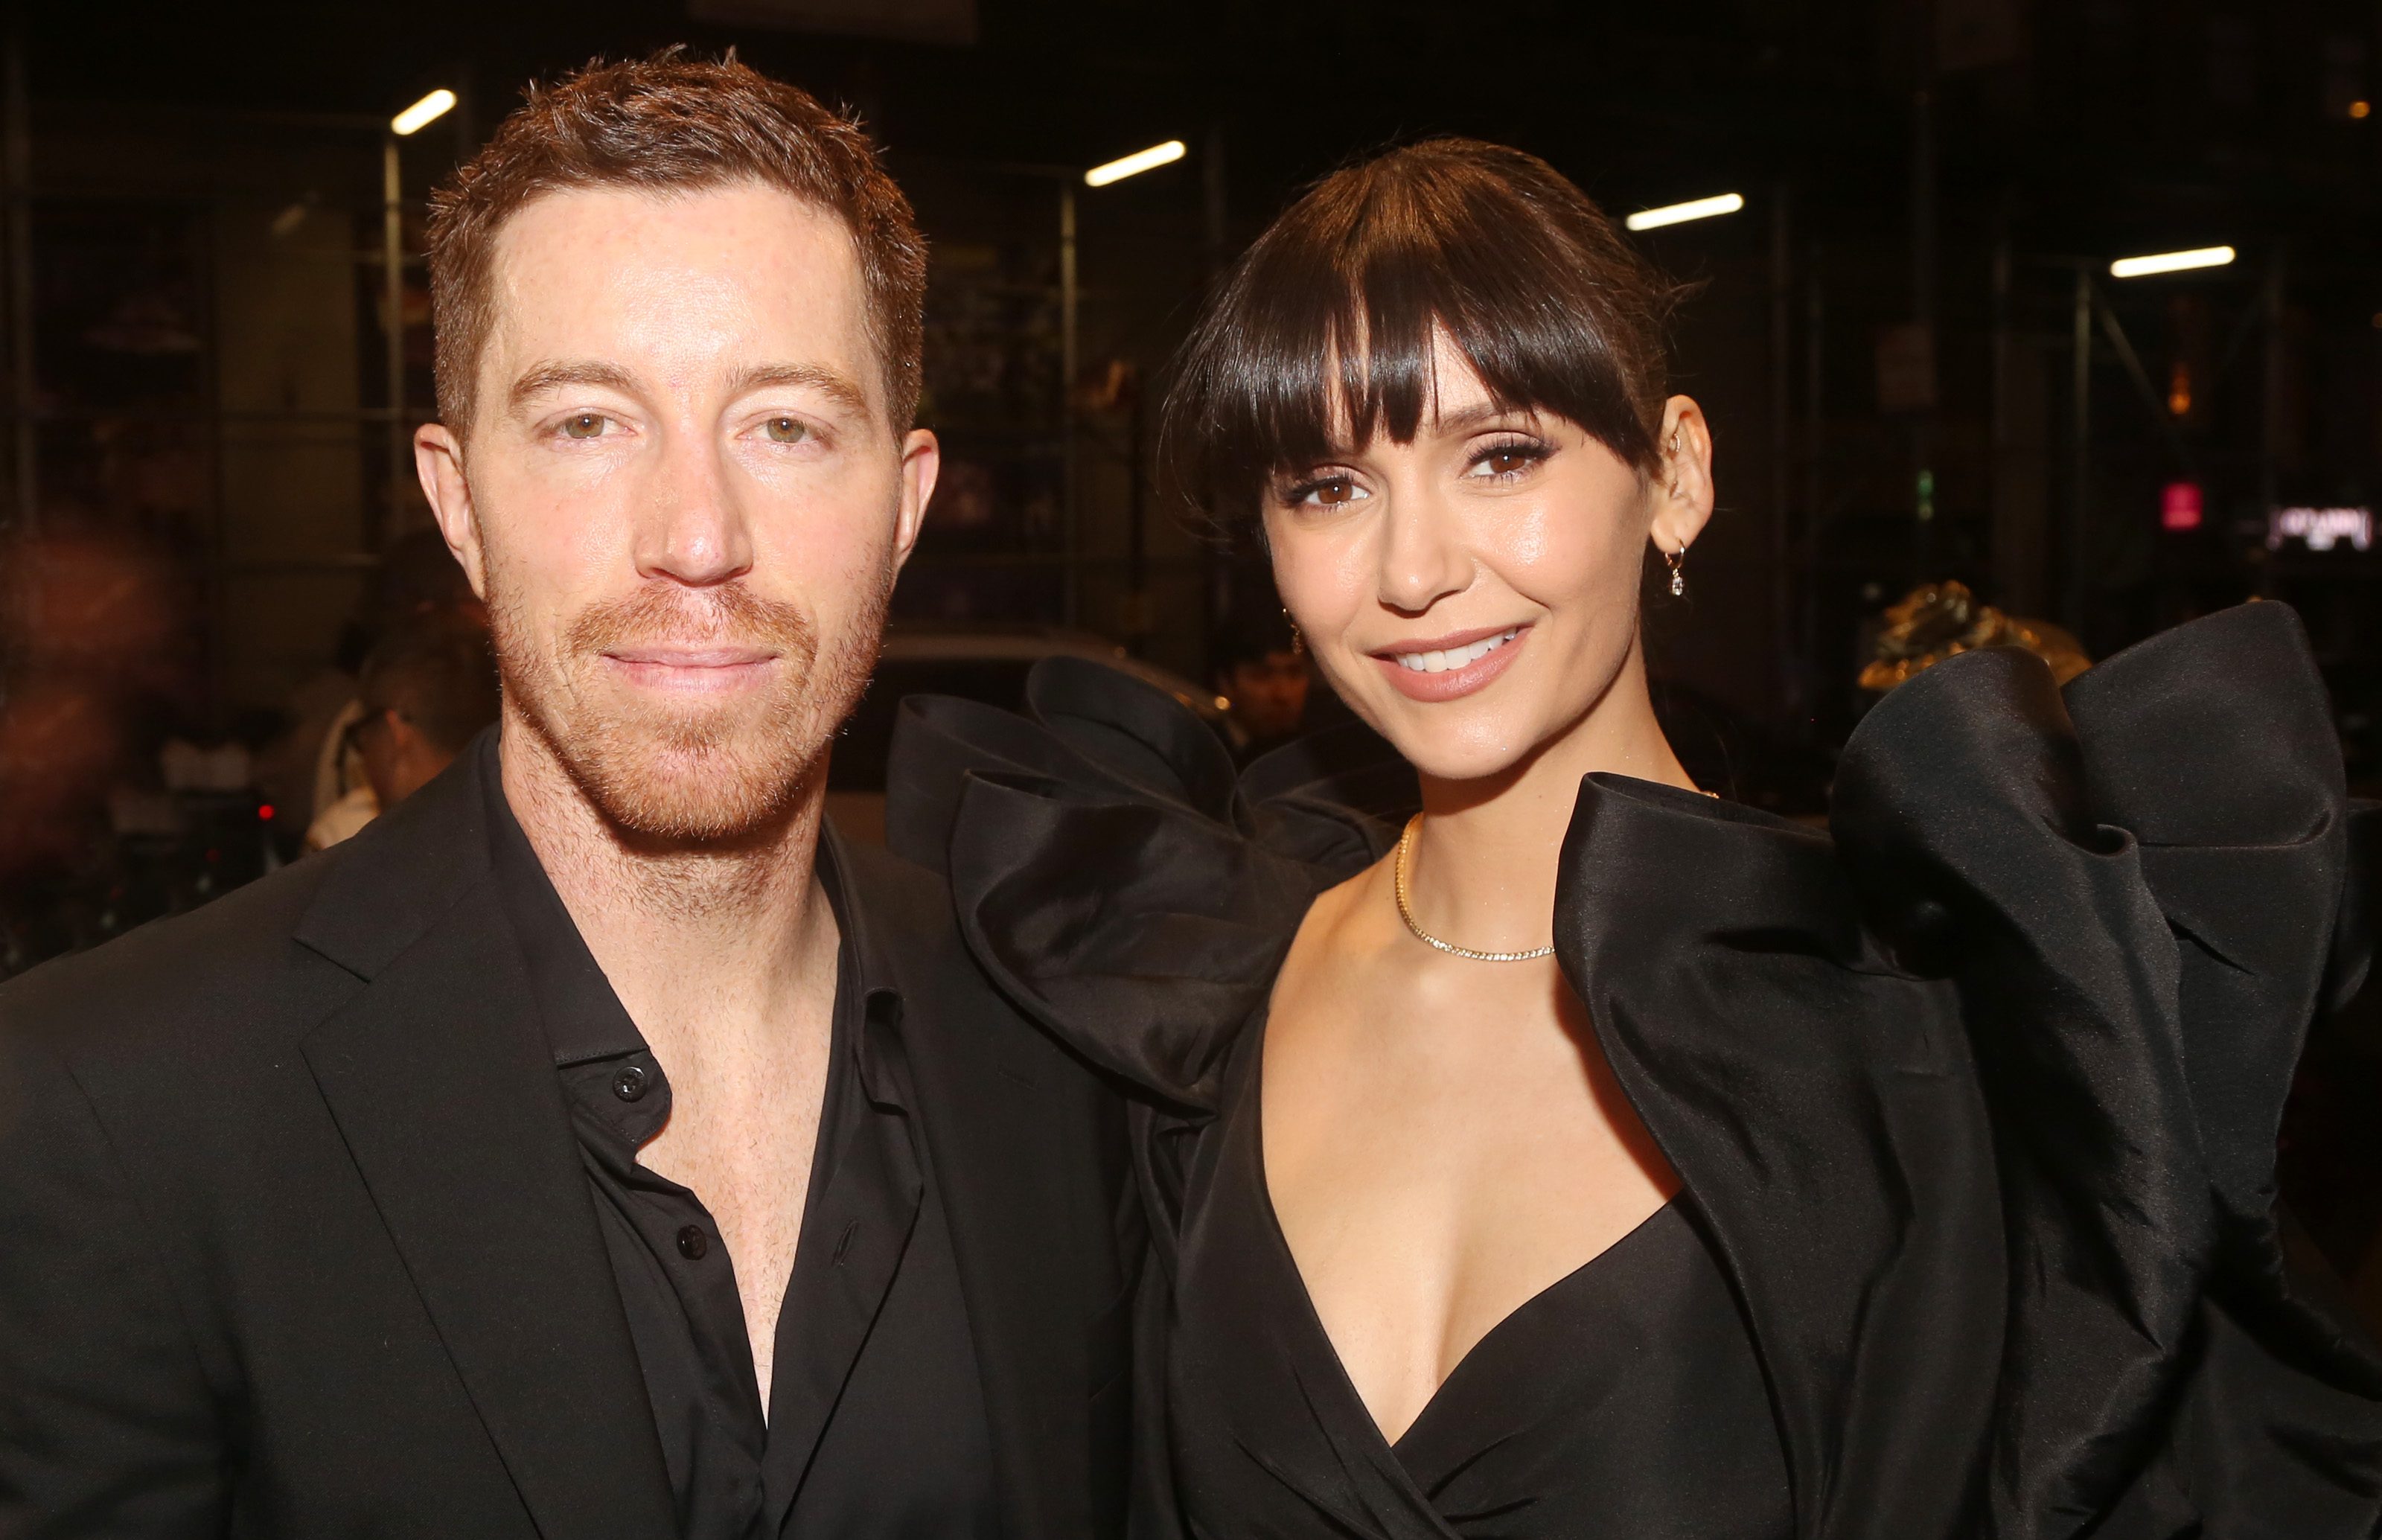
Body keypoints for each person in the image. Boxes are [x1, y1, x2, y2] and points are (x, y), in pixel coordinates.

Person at [887, 138, 2382, 1537]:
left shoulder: (1918, 1048)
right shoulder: (1194, 996)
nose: (1413, 568)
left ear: (1673, 475)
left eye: (1502, 455)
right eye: (1331, 485)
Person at [0, 53, 1137, 1539]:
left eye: (784, 423)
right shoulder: (113, 1104)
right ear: (458, 501)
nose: (695, 534)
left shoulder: (1067, 1045)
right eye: (588, 422)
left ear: (905, 503)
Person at [302, 616, 500, 851]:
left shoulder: (347, 840)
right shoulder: (519, 823)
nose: (363, 758)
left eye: (364, 737)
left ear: (393, 731)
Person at [1210, 601, 1312, 763]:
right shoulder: (1204, 757)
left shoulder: (1319, 756)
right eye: (1262, 676)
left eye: (1294, 673)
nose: (1282, 694)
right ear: (1226, 683)